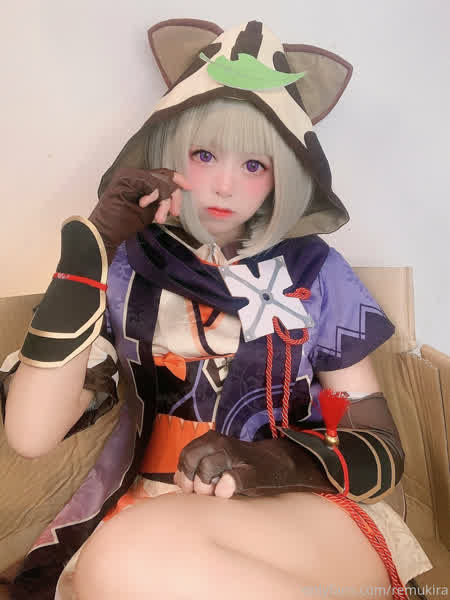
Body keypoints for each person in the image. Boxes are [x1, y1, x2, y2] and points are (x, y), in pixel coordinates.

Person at [2, 19, 432, 600]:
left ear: (284, 175)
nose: (226, 185)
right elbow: (30, 433)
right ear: (168, 156)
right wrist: (91, 253)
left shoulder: (316, 271)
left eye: (255, 164)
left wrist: (275, 462)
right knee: (128, 561)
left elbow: (379, 447)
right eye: (205, 155)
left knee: (127, 561)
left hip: (304, 508)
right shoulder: (126, 270)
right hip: (153, 511)